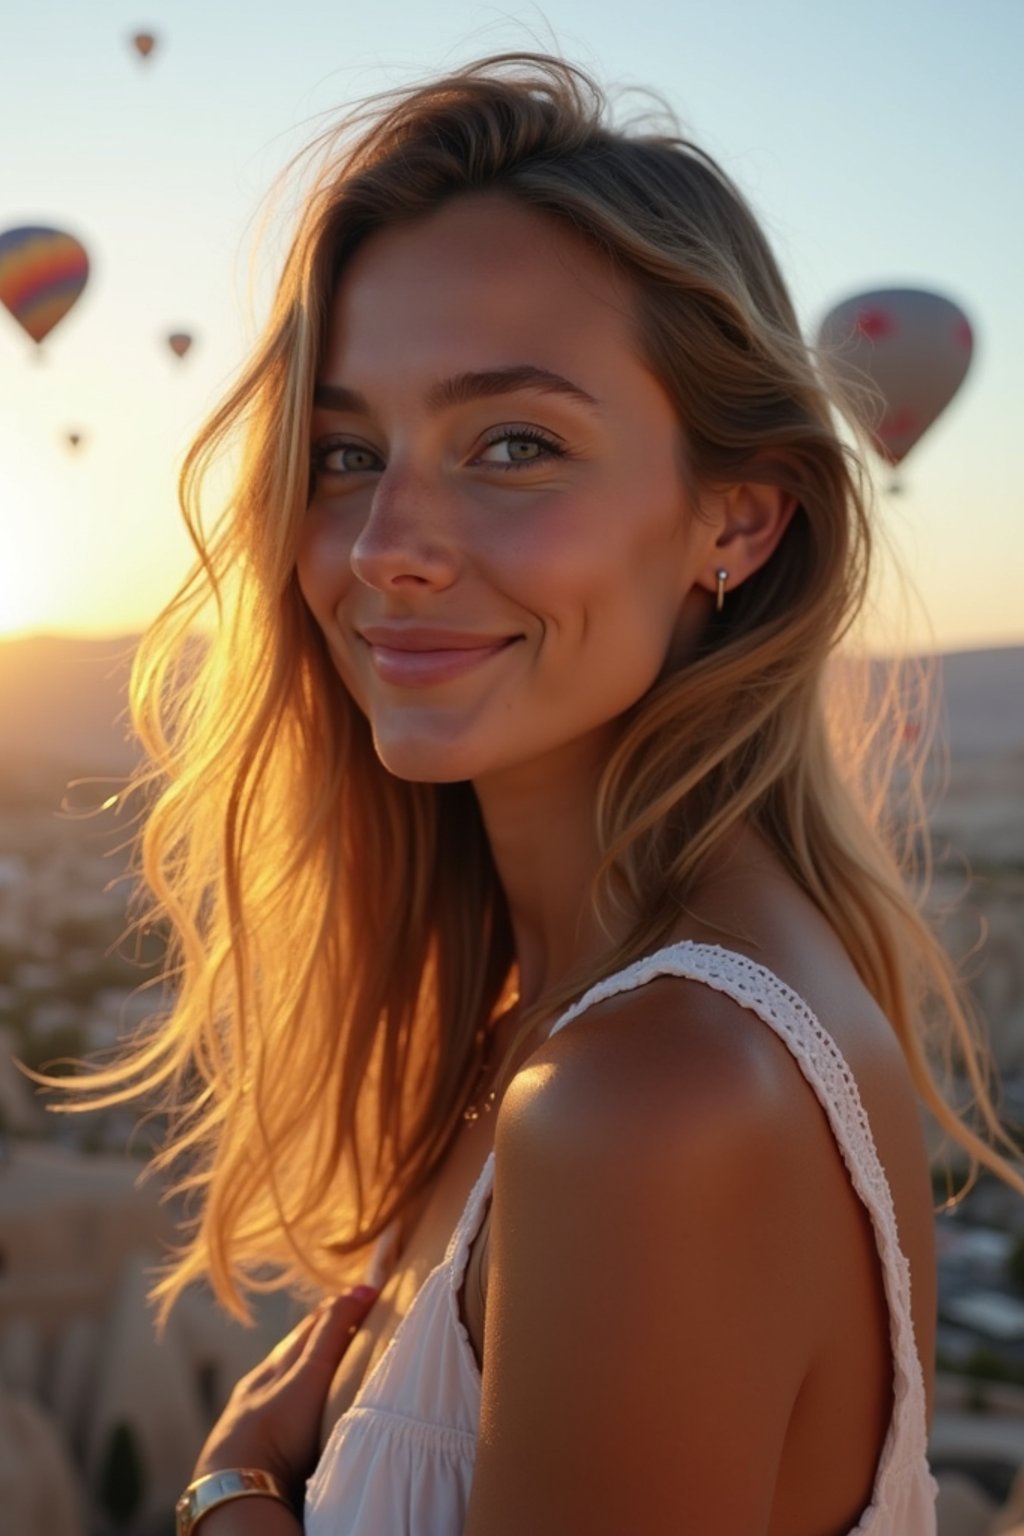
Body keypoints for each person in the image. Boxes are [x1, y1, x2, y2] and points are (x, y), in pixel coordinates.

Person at [57, 51, 1024, 1536]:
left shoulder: (651, 1102)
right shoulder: (587, 1019)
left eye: (515, 443)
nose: (387, 543)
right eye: (343, 451)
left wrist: (234, 1495)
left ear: (740, 518)